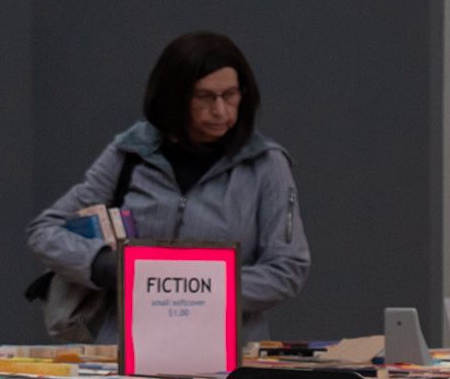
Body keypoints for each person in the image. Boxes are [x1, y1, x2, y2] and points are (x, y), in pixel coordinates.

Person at [25, 31, 310, 342]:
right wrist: (103, 264)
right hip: (127, 351)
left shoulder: (266, 164)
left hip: (223, 353)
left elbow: (287, 268)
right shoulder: (130, 153)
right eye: (204, 96)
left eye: (230, 94)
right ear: (174, 97)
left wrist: (192, 289)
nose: (221, 111)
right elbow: (46, 230)